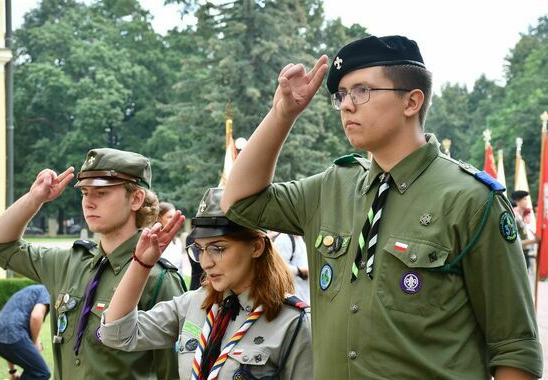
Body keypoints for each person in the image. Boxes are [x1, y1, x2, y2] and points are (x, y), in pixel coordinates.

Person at [221, 35, 543, 378]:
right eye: (341, 95)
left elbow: (514, 347)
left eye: (362, 91)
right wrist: (282, 114)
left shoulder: (471, 200)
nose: (346, 105)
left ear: (411, 102)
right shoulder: (332, 188)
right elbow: (240, 202)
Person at [0, 148, 185, 380]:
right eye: (85, 193)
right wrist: (34, 199)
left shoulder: (158, 278)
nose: (88, 202)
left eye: (101, 193)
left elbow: (174, 371)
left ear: (136, 199)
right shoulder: (69, 262)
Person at [100, 187, 313, 379]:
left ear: (256, 247)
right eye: (199, 249)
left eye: (217, 249)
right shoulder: (196, 304)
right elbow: (116, 334)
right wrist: (142, 264)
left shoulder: (293, 323)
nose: (205, 262)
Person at [0, 284, 51, 380]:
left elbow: (9, 343)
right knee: (41, 373)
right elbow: (36, 316)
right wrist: (35, 342)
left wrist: (12, 372)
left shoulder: (27, 292)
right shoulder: (46, 290)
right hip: (15, 333)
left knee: (33, 370)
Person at [268, 231, 310, 304]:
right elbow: (278, 268)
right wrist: (300, 271)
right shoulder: (283, 239)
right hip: (293, 298)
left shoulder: (300, 238)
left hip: (304, 295)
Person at [512, 190, 539, 270]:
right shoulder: (515, 217)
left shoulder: (521, 216)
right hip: (519, 254)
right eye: (524, 199)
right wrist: (533, 240)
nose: (527, 201)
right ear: (518, 200)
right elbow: (515, 242)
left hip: (525, 253)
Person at [158, 201, 184, 274]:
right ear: (159, 218)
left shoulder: (177, 242)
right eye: (170, 217)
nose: (174, 220)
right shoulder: (152, 242)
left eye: (175, 217)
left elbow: (180, 270)